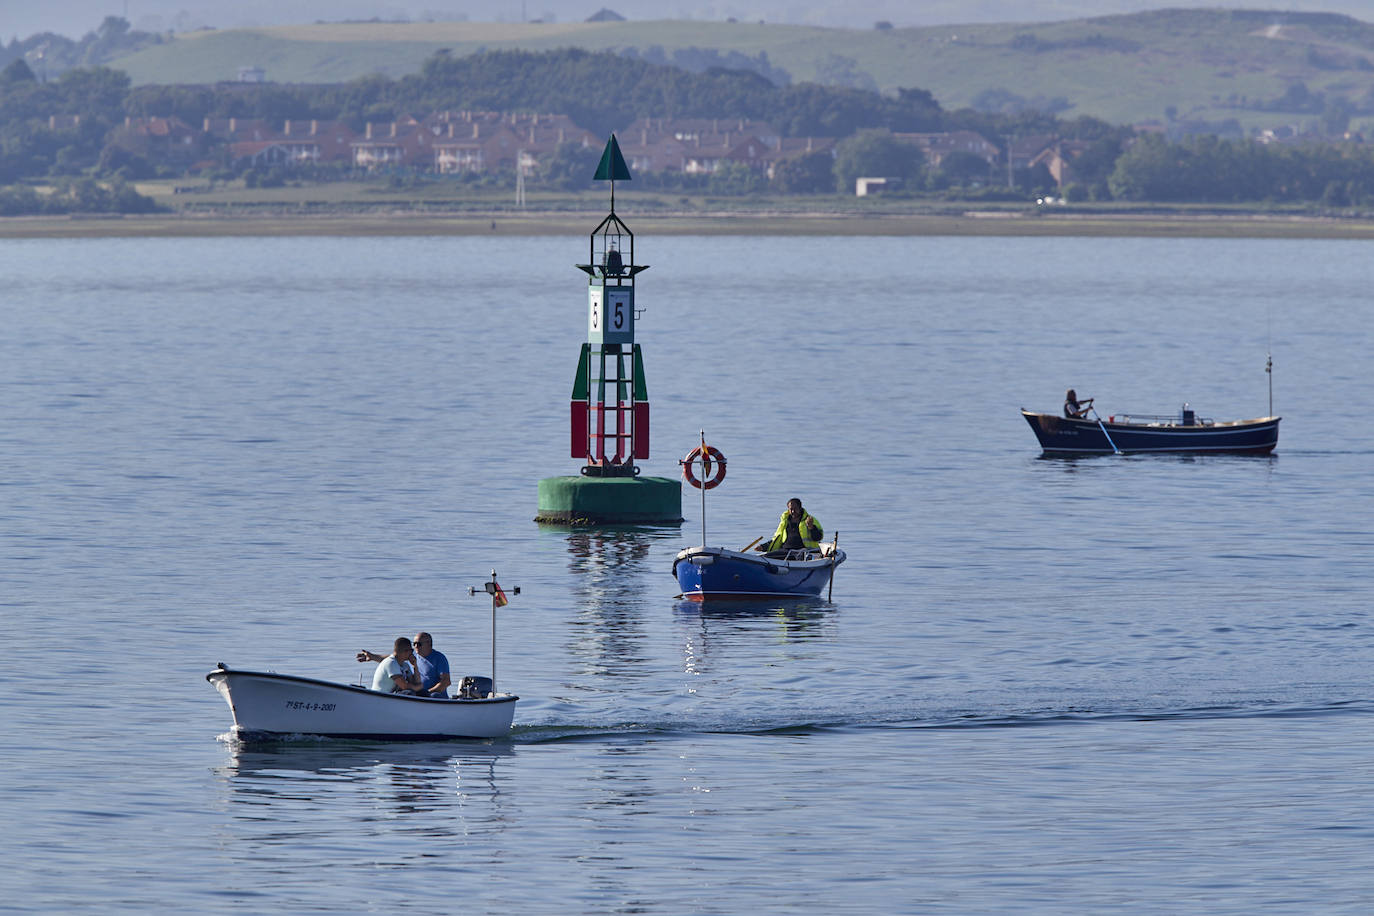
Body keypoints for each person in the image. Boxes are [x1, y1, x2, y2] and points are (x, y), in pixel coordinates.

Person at [359, 631, 451, 698]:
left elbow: (446, 682)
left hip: (434, 695)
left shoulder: (439, 658)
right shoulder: (413, 656)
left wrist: (428, 692)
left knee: (433, 695)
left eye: (418, 644)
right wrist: (372, 657)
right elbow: (395, 659)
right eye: (414, 644)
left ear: (429, 644)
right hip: (419, 692)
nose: (415, 647)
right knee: (410, 692)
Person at [756, 498, 824, 554]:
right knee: (766, 557)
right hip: (785, 550)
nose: (793, 511)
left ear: (800, 508)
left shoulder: (810, 519)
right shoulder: (784, 522)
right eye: (791, 509)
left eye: (795, 509)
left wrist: (811, 527)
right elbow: (777, 539)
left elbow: (818, 538)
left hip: (804, 551)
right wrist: (763, 547)